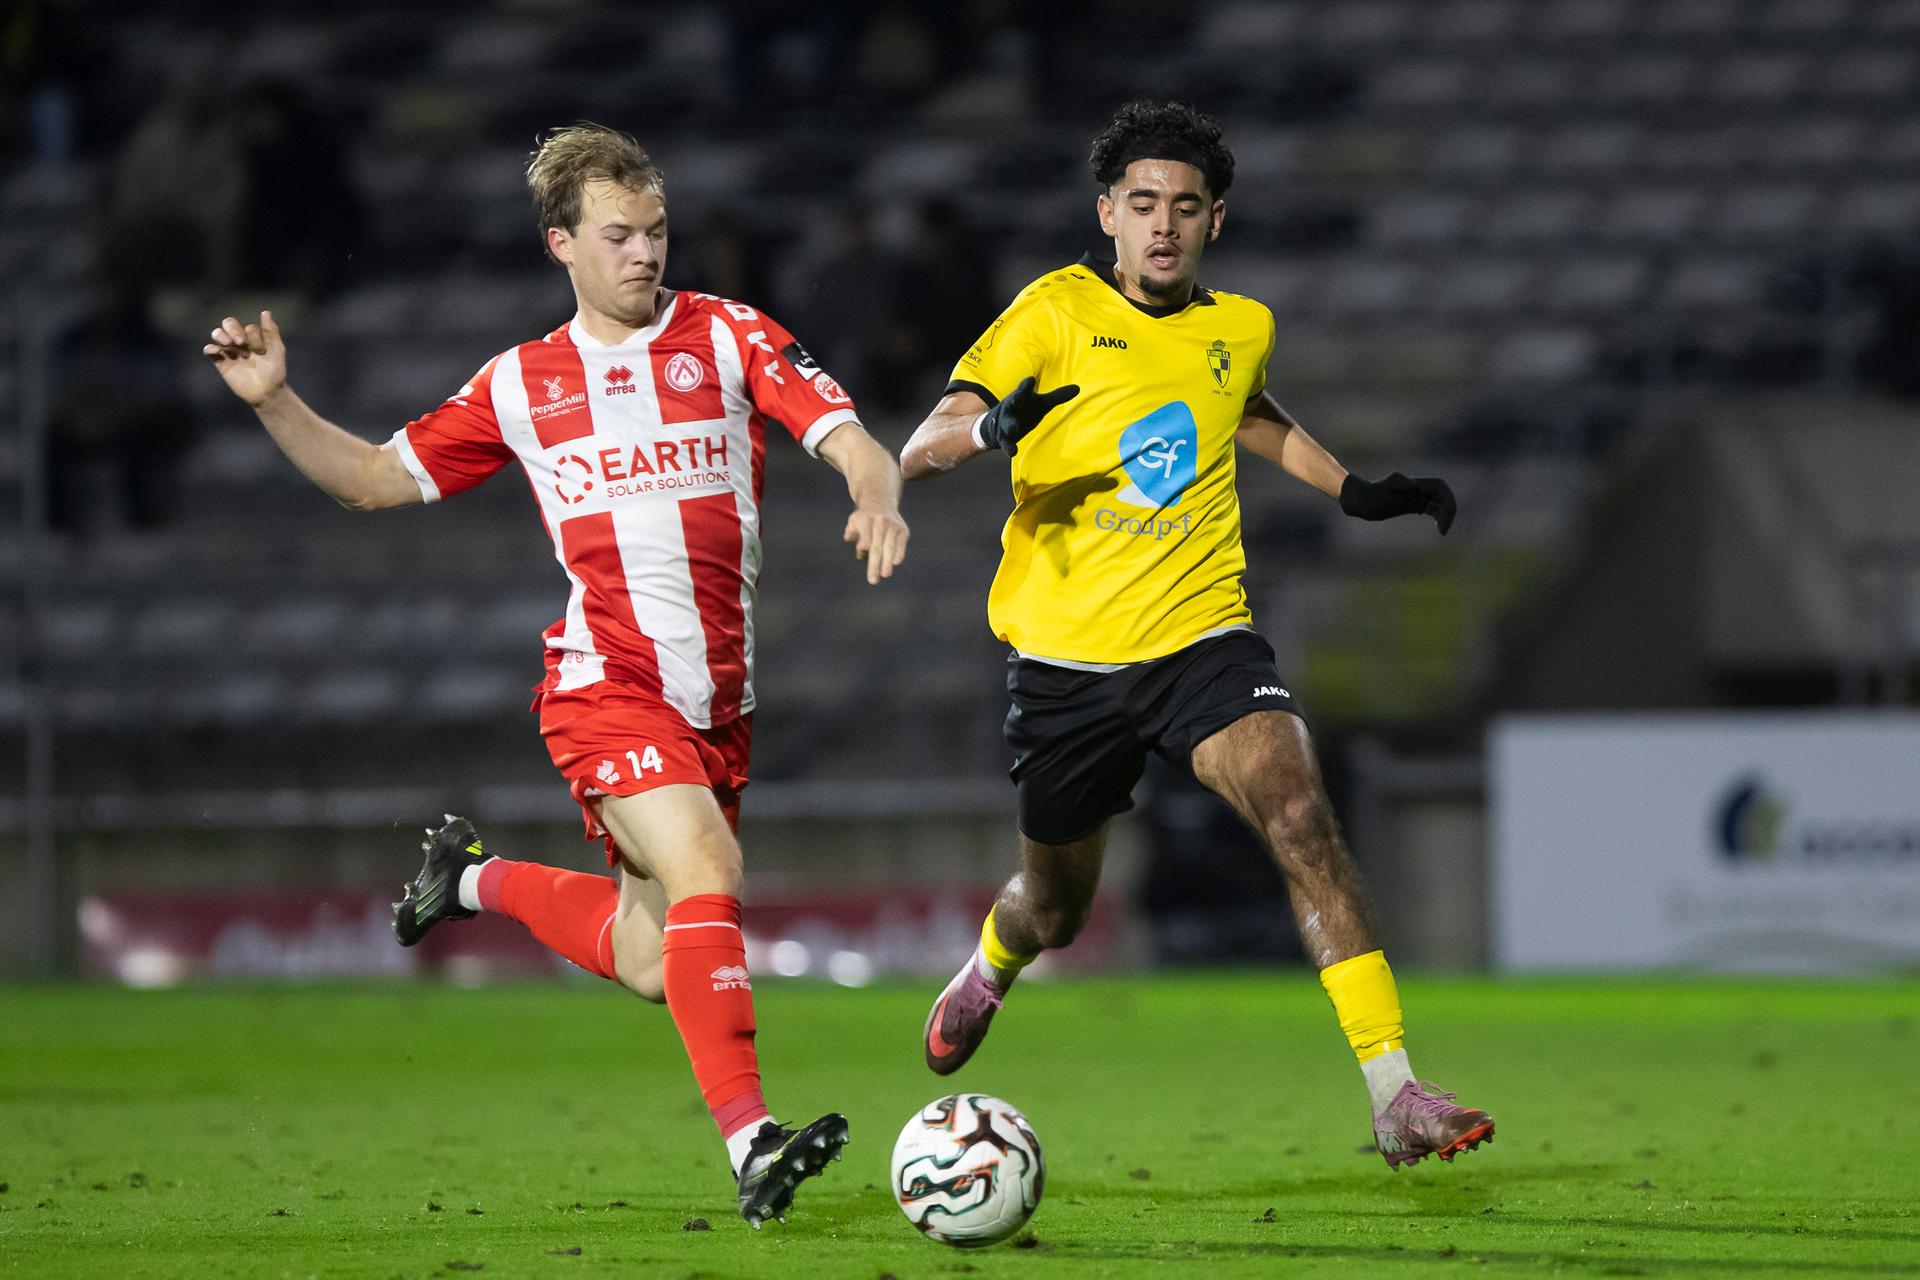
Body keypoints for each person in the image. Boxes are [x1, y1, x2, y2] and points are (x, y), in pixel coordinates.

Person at [204, 123, 909, 1225]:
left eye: (658, 231)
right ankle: (752, 1142)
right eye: (619, 235)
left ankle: (471, 877)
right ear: (561, 245)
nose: (645, 254)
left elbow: (848, 434)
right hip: (603, 684)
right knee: (706, 866)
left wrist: (875, 489)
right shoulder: (524, 383)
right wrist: (273, 403)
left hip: (720, 703)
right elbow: (375, 480)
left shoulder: (727, 335)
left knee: (644, 954)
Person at [898, 101, 1492, 1170]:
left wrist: (1352, 487)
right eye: (1141, 205)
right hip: (1065, 665)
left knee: (1300, 806)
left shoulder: (1241, 325)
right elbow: (916, 446)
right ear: (1107, 215)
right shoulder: (1052, 310)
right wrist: (991, 429)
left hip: (1200, 637)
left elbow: (1246, 408)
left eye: (1182, 207)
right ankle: (992, 960)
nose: (1161, 226)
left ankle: (1394, 1088)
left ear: (1215, 218)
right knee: (1057, 905)